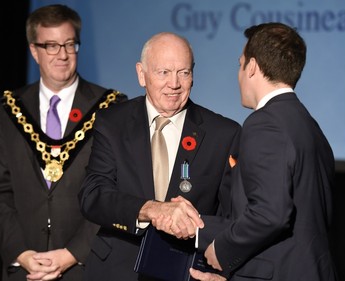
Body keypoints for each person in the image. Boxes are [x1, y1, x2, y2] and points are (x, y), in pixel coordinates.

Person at [77, 31, 241, 280]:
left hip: (186, 272)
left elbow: (233, 218)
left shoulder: (224, 133)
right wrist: (151, 209)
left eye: (183, 72)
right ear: (141, 74)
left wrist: (226, 273)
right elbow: (93, 196)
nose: (174, 84)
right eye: (163, 72)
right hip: (116, 270)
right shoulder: (113, 123)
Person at [0, 4, 126, 281]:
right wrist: (21, 253)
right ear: (34, 50)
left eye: (69, 44)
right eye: (51, 46)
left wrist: (72, 253)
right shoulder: (6, 110)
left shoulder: (112, 108)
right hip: (24, 269)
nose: (62, 55)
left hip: (85, 267)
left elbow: (114, 192)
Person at [188, 22, 338, 281]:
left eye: (240, 63)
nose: (238, 73)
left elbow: (271, 214)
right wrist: (198, 226)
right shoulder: (310, 126)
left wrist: (222, 249)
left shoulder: (265, 123)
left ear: (253, 67)